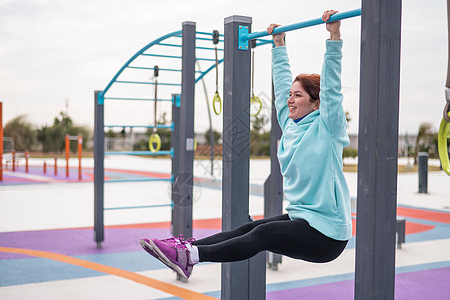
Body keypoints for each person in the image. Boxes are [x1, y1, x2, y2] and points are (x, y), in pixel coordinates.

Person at [140, 10, 352, 279]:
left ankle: (192, 256)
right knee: (246, 229)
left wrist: (334, 37)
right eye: (290, 95)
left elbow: (332, 89)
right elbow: (282, 84)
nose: (290, 99)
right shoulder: (289, 125)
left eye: (298, 96)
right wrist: (279, 46)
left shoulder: (328, 127)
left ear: (317, 103)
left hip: (328, 234)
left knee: (262, 233)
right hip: (304, 219)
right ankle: (187, 249)